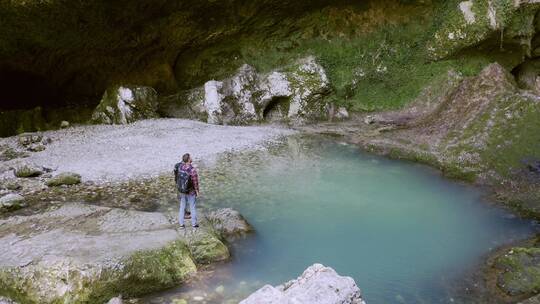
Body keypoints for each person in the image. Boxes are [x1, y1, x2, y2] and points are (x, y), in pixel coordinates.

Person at [174, 153, 200, 228]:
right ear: (188, 160)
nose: (192, 158)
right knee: (192, 207)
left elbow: (177, 177)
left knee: (182, 207)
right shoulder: (192, 170)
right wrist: (197, 191)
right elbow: (195, 182)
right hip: (191, 192)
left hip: (182, 190)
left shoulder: (180, 167)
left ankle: (181, 224)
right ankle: (194, 224)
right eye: (190, 157)